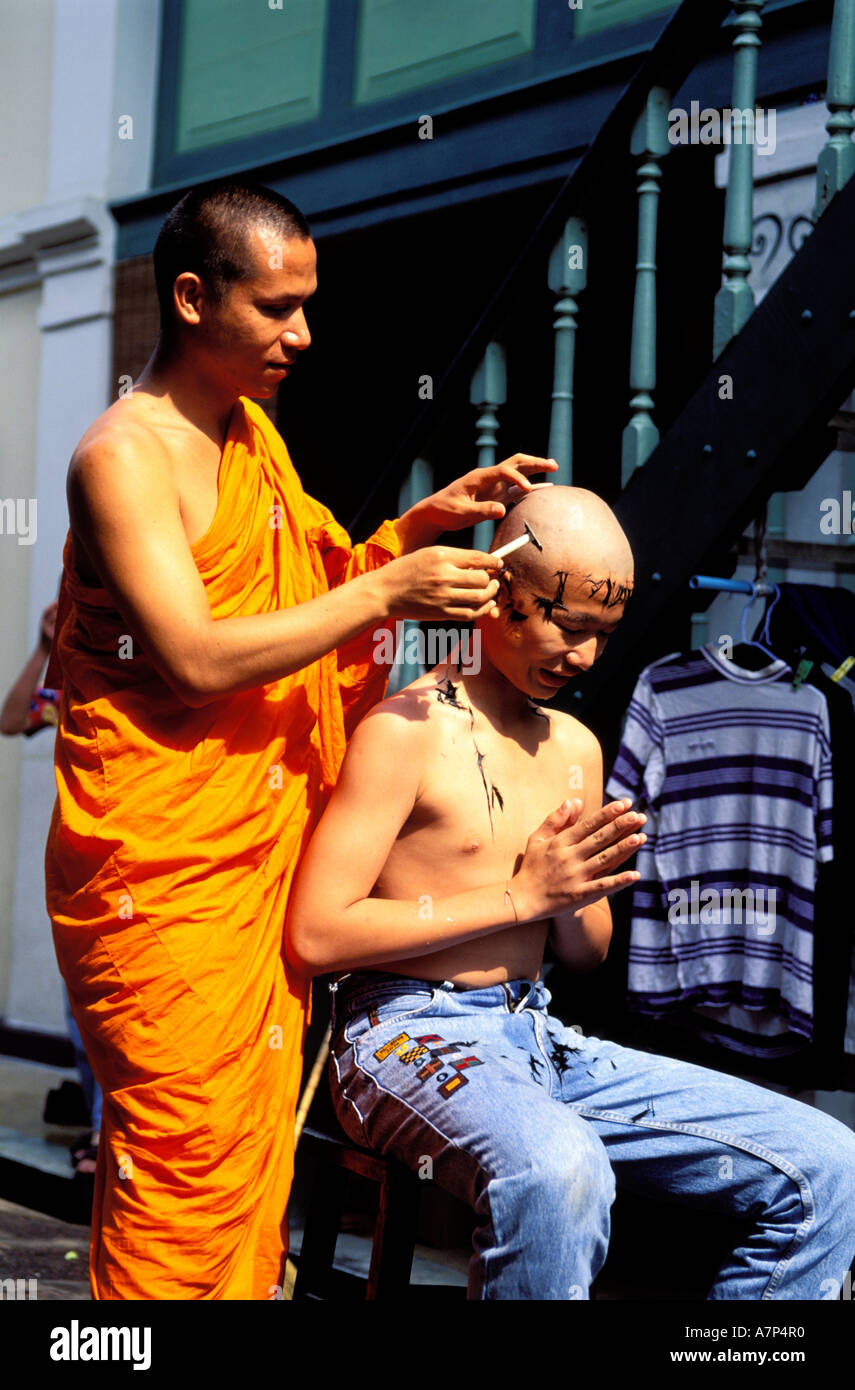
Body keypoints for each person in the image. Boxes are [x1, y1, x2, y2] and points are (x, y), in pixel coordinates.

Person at [43, 176, 557, 1300]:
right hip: (161, 880)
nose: (303, 334)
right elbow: (195, 656)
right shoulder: (121, 458)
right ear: (190, 297)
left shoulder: (251, 437)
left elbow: (297, 609)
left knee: (241, 1182)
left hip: (250, 872)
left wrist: (410, 539)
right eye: (277, 307)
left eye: (306, 304)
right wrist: (389, 594)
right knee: (179, 1176)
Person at [287, 484, 855, 1301]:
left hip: (539, 1036)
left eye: (602, 634)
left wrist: (576, 891)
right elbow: (315, 934)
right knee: (558, 1167)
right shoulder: (403, 731)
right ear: (499, 593)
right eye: (568, 625)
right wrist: (519, 897)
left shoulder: (576, 748)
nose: (585, 656)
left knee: (828, 1164)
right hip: (401, 1035)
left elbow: (585, 952)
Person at [1, 600, 102, 1175]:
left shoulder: (134, 671)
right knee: (78, 1006)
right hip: (76, 863)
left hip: (137, 862)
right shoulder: (73, 684)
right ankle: (96, 1128)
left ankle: (109, 1136)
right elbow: (11, 720)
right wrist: (45, 647)